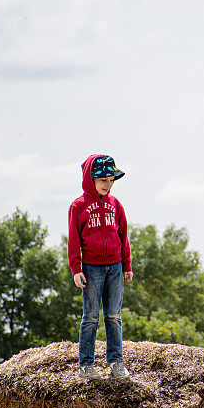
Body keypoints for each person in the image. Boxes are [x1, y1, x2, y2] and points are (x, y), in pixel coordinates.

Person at [68, 154, 133, 379]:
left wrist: (127, 265)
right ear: (91, 179)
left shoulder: (116, 205)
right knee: (91, 317)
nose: (108, 184)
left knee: (114, 316)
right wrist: (76, 269)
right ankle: (86, 365)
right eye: (103, 180)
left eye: (111, 180)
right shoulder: (78, 206)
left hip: (115, 267)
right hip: (91, 269)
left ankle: (116, 363)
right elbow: (74, 239)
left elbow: (123, 235)